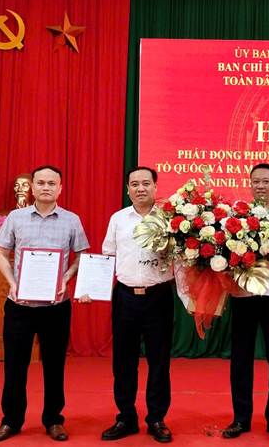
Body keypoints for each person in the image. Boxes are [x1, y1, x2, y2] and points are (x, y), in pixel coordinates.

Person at [0, 165, 90, 443]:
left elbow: (82, 256)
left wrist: (65, 278)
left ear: (60, 188)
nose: (46, 187)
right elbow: (2, 254)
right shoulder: (16, 218)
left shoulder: (71, 220)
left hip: (56, 306)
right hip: (19, 305)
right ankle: (11, 421)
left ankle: (53, 420)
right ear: (32, 188)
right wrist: (12, 283)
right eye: (40, 183)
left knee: (54, 366)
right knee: (14, 366)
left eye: (51, 183)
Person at [222, 163, 269, 441]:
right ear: (250, 184)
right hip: (244, 294)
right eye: (256, 181)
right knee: (241, 358)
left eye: (266, 181)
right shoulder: (237, 213)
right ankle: (240, 419)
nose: (260, 186)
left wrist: (254, 244)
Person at [98, 166, 175, 443]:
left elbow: (181, 260)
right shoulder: (118, 219)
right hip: (126, 297)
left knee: (159, 361)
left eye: (145, 183)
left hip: (159, 297)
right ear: (127, 189)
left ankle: (156, 418)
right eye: (134, 184)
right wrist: (93, 288)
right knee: (123, 361)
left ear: (155, 187)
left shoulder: (170, 218)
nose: (140, 188)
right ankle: (126, 417)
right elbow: (107, 255)